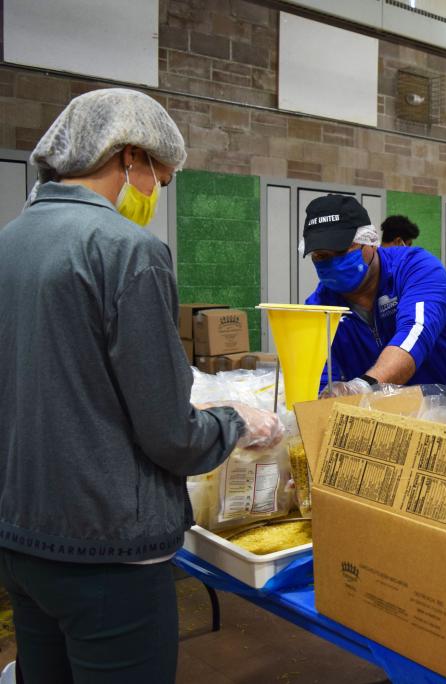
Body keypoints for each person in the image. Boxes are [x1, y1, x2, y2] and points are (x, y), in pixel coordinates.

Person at [0, 88, 282, 683]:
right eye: (164, 177)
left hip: (23, 535)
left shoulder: (11, 241)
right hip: (110, 552)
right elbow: (166, 431)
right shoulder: (129, 252)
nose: (155, 193)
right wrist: (236, 423)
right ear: (131, 158)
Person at [303, 195, 446, 394]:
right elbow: (318, 379)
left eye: (341, 251)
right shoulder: (320, 308)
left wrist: (362, 387)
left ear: (370, 241)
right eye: (321, 256)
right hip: (380, 419)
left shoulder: (416, 268)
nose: (332, 263)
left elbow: (416, 333)